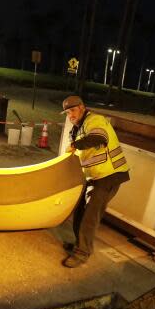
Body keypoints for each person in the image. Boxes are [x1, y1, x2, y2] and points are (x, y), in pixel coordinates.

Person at [61, 95, 130, 268]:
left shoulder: (95, 120)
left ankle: (83, 253)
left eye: (74, 110)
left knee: (90, 216)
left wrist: (76, 145)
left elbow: (99, 138)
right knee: (80, 212)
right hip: (95, 177)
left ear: (82, 108)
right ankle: (80, 245)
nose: (71, 115)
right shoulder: (77, 129)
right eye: (68, 112)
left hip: (109, 176)